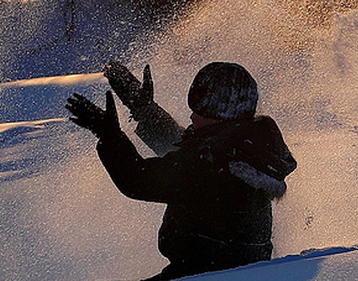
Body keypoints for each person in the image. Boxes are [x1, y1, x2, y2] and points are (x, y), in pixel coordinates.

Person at [66, 61, 296, 280]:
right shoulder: (246, 146)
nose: (192, 114)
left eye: (200, 105)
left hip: (208, 275)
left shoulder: (215, 163)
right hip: (234, 269)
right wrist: (143, 109)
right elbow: (180, 147)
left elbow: (138, 180)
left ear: (220, 111)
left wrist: (109, 135)